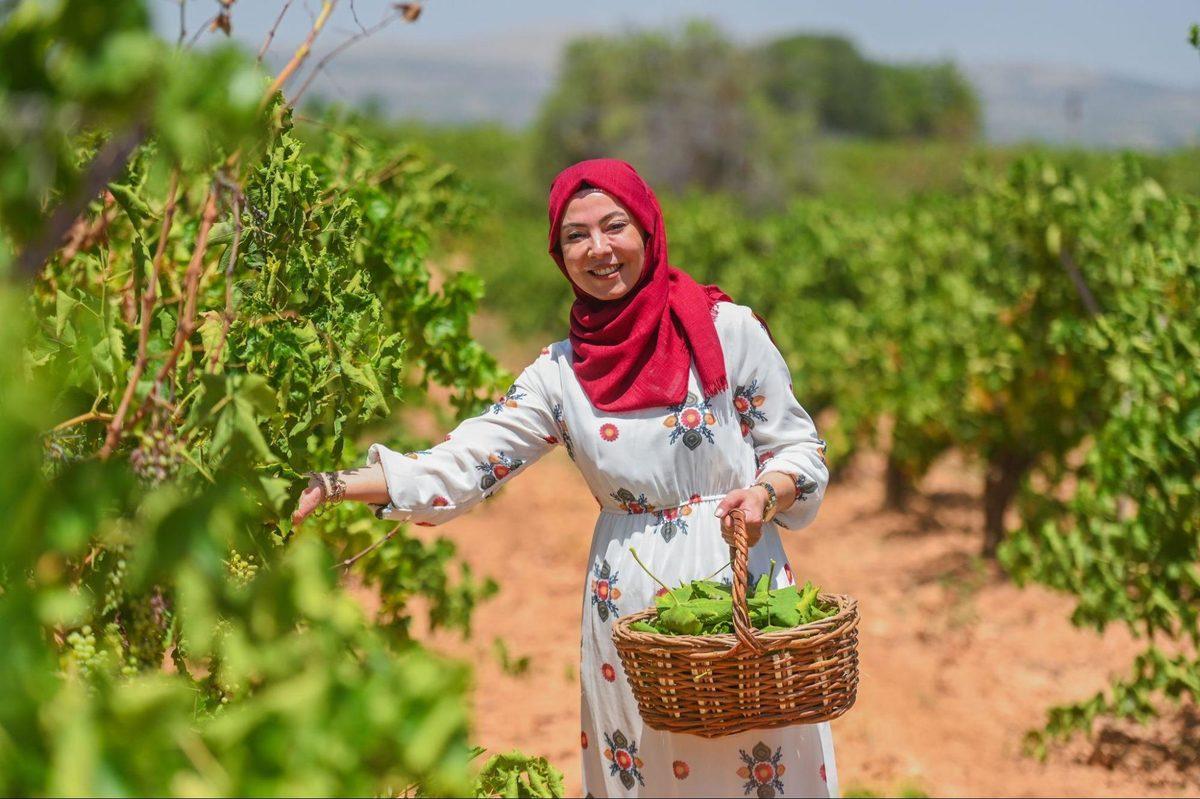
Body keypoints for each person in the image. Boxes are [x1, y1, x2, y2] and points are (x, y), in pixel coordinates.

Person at [292, 159, 836, 798]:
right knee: (648, 771)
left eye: (615, 227)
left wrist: (767, 495)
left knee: (755, 765)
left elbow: (800, 448)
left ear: (649, 230)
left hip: (743, 583)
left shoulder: (725, 331)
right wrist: (331, 484)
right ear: (559, 252)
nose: (598, 249)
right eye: (576, 236)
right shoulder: (560, 374)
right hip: (630, 608)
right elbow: (465, 464)